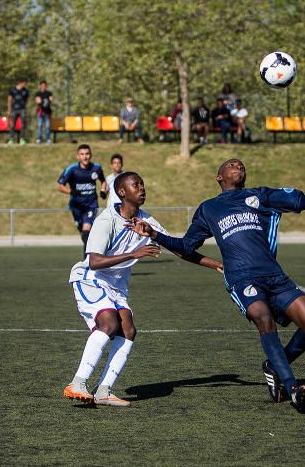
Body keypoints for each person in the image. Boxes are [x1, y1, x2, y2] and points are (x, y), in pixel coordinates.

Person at [130, 158, 305, 414]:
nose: (239, 167)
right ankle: (292, 387)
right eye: (232, 165)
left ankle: (274, 366)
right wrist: (155, 235)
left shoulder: (259, 196)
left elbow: (298, 201)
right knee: (263, 318)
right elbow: (186, 246)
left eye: (241, 165)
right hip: (242, 279)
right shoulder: (209, 209)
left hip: (274, 275)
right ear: (219, 177)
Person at [63, 171, 223, 407]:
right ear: (121, 192)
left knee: (128, 329)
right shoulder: (106, 220)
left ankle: (104, 390)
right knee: (109, 324)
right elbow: (95, 261)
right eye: (135, 184)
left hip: (115, 286)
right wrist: (134, 254)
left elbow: (179, 249)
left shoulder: (148, 222)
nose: (142, 188)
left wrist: (216, 264)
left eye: (143, 184)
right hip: (90, 278)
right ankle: (78, 382)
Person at [57, 144, 106, 252]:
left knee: (86, 232)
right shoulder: (72, 169)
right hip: (76, 206)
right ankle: (91, 256)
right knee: (84, 233)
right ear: (78, 156)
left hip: (91, 205)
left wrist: (103, 191)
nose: (85, 157)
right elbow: (60, 186)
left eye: (87, 154)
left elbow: (103, 181)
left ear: (91, 155)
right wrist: (71, 191)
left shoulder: (96, 168)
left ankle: (89, 260)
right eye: (82, 154)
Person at [7, 78, 29, 145]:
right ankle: (11, 139)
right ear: (20, 82)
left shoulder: (26, 91)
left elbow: (26, 100)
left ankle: (22, 139)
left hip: (22, 109)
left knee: (23, 125)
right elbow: (9, 100)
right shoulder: (12, 90)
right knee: (12, 124)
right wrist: (9, 110)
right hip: (14, 109)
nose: (25, 85)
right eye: (24, 83)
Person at [34, 80, 53, 144]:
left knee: (47, 126)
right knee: (40, 125)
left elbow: (51, 99)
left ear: (46, 86)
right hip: (40, 112)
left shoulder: (49, 93)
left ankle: (48, 139)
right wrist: (44, 101)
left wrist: (45, 101)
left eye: (44, 85)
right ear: (40, 86)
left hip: (47, 112)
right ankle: (39, 139)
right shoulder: (38, 93)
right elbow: (38, 101)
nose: (43, 86)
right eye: (42, 85)